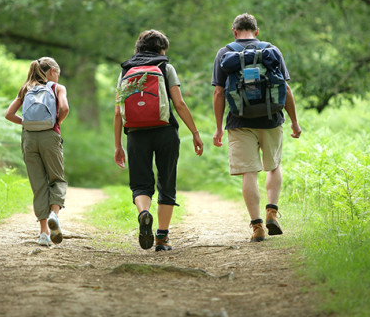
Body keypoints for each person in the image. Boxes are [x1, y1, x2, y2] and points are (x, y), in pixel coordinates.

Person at [211, 13, 301, 242]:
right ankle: (272, 211)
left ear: (234, 31)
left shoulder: (225, 53)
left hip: (239, 122)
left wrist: (219, 127)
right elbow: (286, 89)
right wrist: (294, 121)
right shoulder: (271, 50)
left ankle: (257, 226)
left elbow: (219, 92)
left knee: (249, 173)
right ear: (256, 31)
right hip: (271, 119)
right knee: (273, 166)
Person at [114, 29, 204, 251]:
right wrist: (194, 132)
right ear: (162, 49)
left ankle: (144, 213)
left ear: (138, 47)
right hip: (165, 131)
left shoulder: (126, 70)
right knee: (167, 181)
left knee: (140, 183)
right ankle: (162, 238)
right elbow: (180, 104)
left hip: (135, 134)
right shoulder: (166, 68)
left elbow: (118, 112)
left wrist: (117, 145)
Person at [5, 57, 69, 246]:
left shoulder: (26, 88)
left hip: (29, 139)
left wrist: (25, 123)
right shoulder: (57, 88)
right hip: (50, 136)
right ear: (51, 72)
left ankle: (43, 234)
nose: (58, 77)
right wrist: (57, 122)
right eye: (57, 73)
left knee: (38, 184)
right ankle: (54, 215)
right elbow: (64, 107)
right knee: (57, 179)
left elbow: (8, 114)